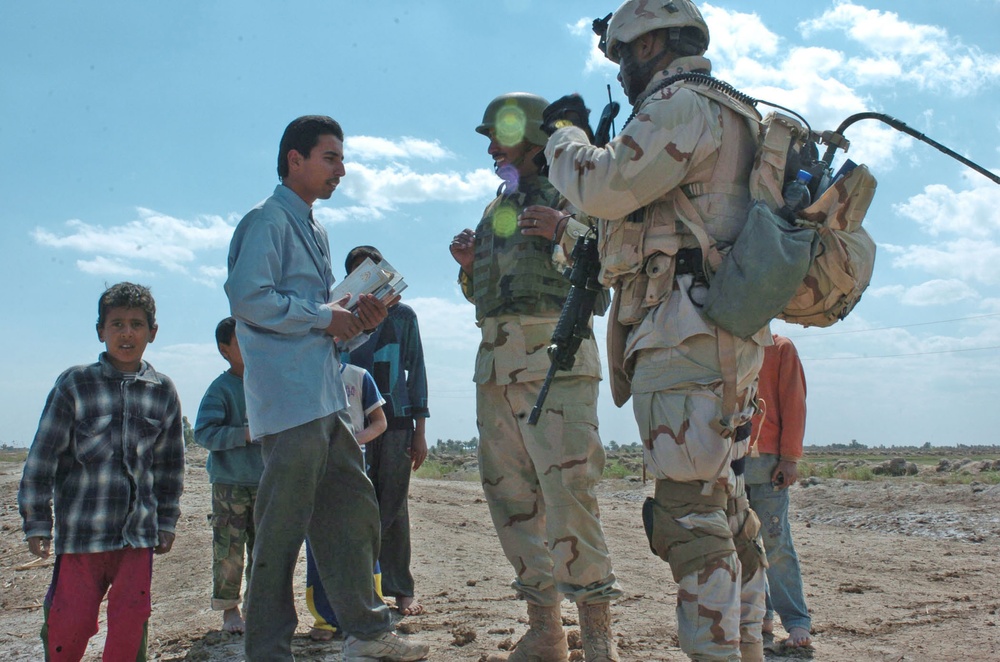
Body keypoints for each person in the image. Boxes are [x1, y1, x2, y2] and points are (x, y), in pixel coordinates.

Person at [543, 2, 772, 660]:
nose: (620, 72)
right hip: (717, 341)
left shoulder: (680, 103)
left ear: (661, 44)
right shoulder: (727, 109)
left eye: (627, 55)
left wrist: (563, 136)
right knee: (724, 511)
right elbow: (630, 223)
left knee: (689, 521)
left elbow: (606, 184)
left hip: (684, 341)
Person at [225, 115, 428, 662]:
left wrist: (352, 320)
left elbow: (320, 323)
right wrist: (323, 318)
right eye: (331, 158)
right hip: (290, 403)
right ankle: (266, 648)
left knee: (351, 510)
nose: (342, 169)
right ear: (296, 159)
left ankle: (366, 631)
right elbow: (248, 300)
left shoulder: (314, 229)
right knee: (281, 530)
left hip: (325, 395)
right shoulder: (267, 221)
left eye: (342, 158)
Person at [449, 92, 622, 662]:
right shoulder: (495, 204)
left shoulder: (574, 193)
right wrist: (471, 270)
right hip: (496, 367)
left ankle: (597, 635)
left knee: (570, 497)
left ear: (532, 138)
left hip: (556, 361)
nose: (491, 148)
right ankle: (545, 629)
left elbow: (608, 271)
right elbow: (490, 296)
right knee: (512, 501)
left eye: (498, 137)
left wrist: (564, 228)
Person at [17, 282, 184, 661]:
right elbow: (43, 458)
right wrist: (37, 522)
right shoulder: (76, 384)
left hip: (137, 538)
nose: (127, 334)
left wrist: (167, 521)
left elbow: (170, 466)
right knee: (67, 627)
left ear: (152, 333)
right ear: (100, 330)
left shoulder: (163, 391)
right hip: (81, 537)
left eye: (137, 324)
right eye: (117, 324)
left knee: (130, 626)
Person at [343, 245, 429, 617]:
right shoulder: (339, 319)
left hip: (396, 423)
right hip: (350, 425)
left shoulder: (404, 317)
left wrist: (419, 431)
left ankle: (400, 588)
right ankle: (359, 588)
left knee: (394, 506)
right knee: (355, 507)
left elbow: (417, 371)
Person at [306, 359, 388, 642]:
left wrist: (355, 441)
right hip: (314, 474)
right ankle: (326, 620)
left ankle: (371, 617)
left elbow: (380, 422)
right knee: (318, 549)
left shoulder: (359, 376)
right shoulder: (301, 371)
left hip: (354, 474)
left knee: (362, 546)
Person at [194, 316, 263, 635]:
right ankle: (230, 611)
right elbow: (204, 433)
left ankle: (259, 606)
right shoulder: (221, 389)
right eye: (240, 342)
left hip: (266, 482)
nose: (250, 347)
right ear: (224, 350)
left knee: (265, 549)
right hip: (230, 485)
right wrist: (244, 434)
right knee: (229, 550)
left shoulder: (268, 383)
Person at [747, 335, 813, 648]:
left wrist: (790, 458)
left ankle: (797, 621)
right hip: (726, 463)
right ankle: (761, 614)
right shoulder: (723, 343)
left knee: (775, 542)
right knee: (742, 546)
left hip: (768, 464)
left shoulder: (780, 347)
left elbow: (793, 401)